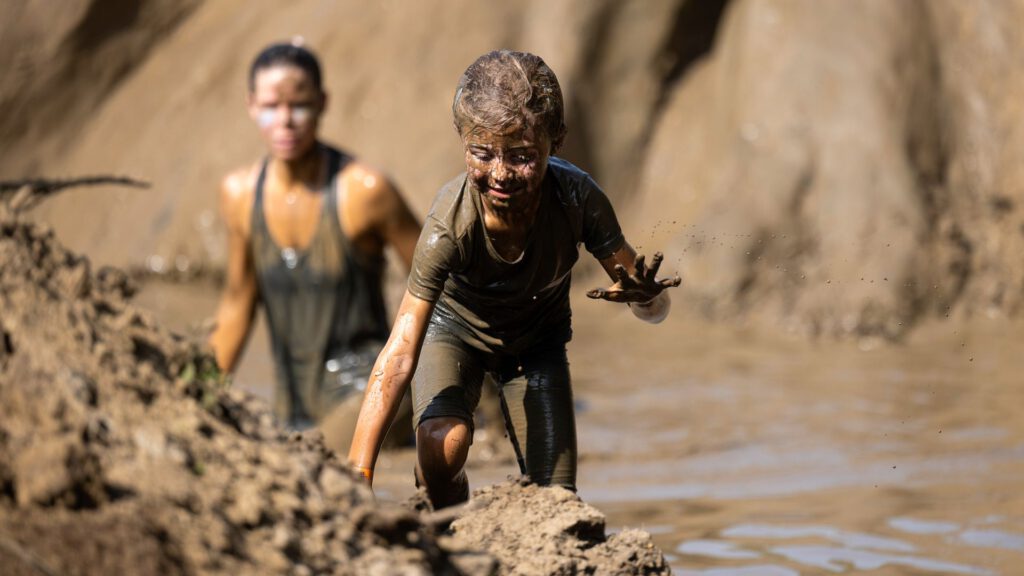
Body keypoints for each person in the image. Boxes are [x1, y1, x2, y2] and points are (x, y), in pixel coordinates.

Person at [347, 49, 681, 509]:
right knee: (443, 445)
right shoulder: (450, 225)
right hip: (454, 333)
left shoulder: (578, 200)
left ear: (556, 141)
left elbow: (654, 308)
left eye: (522, 156)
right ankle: (447, 517)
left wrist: (646, 301)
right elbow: (401, 353)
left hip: (537, 343)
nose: (500, 173)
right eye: (482, 154)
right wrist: (358, 474)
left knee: (556, 503)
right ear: (463, 142)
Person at [209, 40, 421, 451]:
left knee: (319, 463)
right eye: (272, 106)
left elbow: (438, 283)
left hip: (370, 391)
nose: (285, 120)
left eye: (299, 105)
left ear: (323, 103)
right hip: (294, 405)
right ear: (251, 106)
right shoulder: (238, 195)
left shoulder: (364, 191)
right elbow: (236, 305)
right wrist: (194, 395)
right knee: (294, 452)